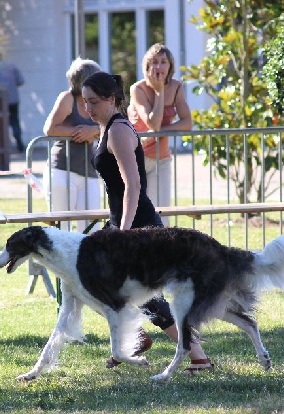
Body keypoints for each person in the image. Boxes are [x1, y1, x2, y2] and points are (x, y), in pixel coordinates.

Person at [81, 71, 213, 374]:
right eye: (85, 102)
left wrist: (124, 231)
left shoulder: (119, 130)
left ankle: (199, 357)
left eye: (94, 102)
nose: (88, 108)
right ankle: (136, 338)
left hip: (138, 224)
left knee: (151, 297)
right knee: (98, 283)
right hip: (123, 222)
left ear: (111, 99)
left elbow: (133, 185)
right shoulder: (104, 129)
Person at [127, 43, 193, 226]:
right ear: (147, 65)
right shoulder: (137, 89)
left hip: (160, 157)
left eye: (163, 62)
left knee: (162, 211)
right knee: (137, 210)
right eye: (154, 62)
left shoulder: (177, 87)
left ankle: (162, 251)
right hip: (136, 156)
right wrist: (158, 91)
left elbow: (187, 123)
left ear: (170, 65)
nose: (159, 67)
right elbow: (153, 122)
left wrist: (159, 133)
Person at [42, 58, 102, 233]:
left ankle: (87, 261)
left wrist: (93, 130)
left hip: (89, 172)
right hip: (62, 170)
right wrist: (79, 131)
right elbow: (50, 129)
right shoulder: (67, 98)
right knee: (62, 228)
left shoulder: (99, 102)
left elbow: (110, 126)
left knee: (92, 229)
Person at [0, 51, 26, 152]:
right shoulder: (11, 66)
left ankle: (3, 146)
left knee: (1, 122)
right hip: (13, 99)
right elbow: (20, 81)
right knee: (15, 121)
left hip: (0, 100)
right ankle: (19, 144)